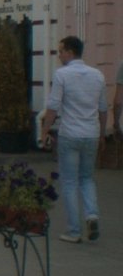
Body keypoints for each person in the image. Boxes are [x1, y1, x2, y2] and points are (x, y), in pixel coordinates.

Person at [40, 35, 107, 243]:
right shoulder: (98, 75)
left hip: (70, 134)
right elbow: (103, 109)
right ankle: (92, 215)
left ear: (70, 52)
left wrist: (44, 131)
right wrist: (103, 134)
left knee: (69, 182)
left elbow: (53, 106)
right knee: (87, 178)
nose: (59, 55)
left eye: (61, 51)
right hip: (91, 134)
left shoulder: (62, 75)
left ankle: (74, 230)